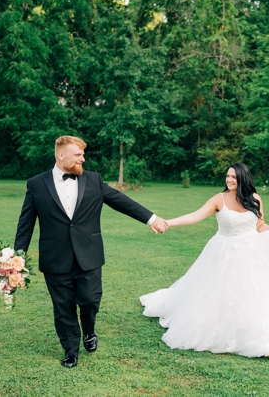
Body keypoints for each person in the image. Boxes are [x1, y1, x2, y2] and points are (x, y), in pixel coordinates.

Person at [14, 135, 169, 368]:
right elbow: (26, 222)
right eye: (78, 155)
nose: (83, 159)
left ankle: (89, 331)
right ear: (61, 155)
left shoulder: (94, 180)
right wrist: (18, 256)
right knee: (63, 307)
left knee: (89, 300)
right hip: (54, 258)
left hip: (89, 256)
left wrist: (151, 218)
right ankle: (70, 350)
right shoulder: (36, 184)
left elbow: (121, 201)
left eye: (83, 154)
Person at [140, 162, 269, 358]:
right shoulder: (219, 199)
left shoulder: (255, 198)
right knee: (220, 294)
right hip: (223, 252)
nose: (229, 180)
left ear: (243, 179)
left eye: (234, 177)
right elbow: (195, 216)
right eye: (228, 176)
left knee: (253, 294)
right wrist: (167, 222)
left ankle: (260, 340)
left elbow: (260, 225)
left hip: (251, 254)